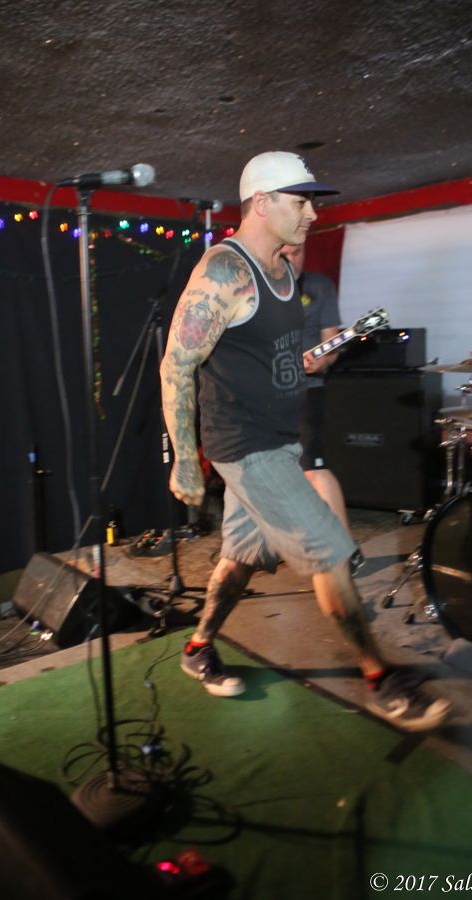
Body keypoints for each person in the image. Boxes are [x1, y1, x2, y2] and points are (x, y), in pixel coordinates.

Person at [160, 150, 450, 731]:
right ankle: (380, 679)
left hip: (279, 439)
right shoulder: (225, 272)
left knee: (240, 558)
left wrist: (310, 361)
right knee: (332, 551)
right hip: (244, 447)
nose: (313, 214)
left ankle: (197, 646)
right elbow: (177, 364)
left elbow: (278, 356)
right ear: (261, 204)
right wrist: (185, 461)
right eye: (301, 202)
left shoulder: (285, 274)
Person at [282, 243, 364, 574]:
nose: (293, 259)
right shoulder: (258, 290)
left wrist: (323, 361)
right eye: (286, 253)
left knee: (313, 467)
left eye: (299, 252)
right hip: (266, 396)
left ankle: (348, 549)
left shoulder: (318, 287)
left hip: (307, 391)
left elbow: (333, 347)